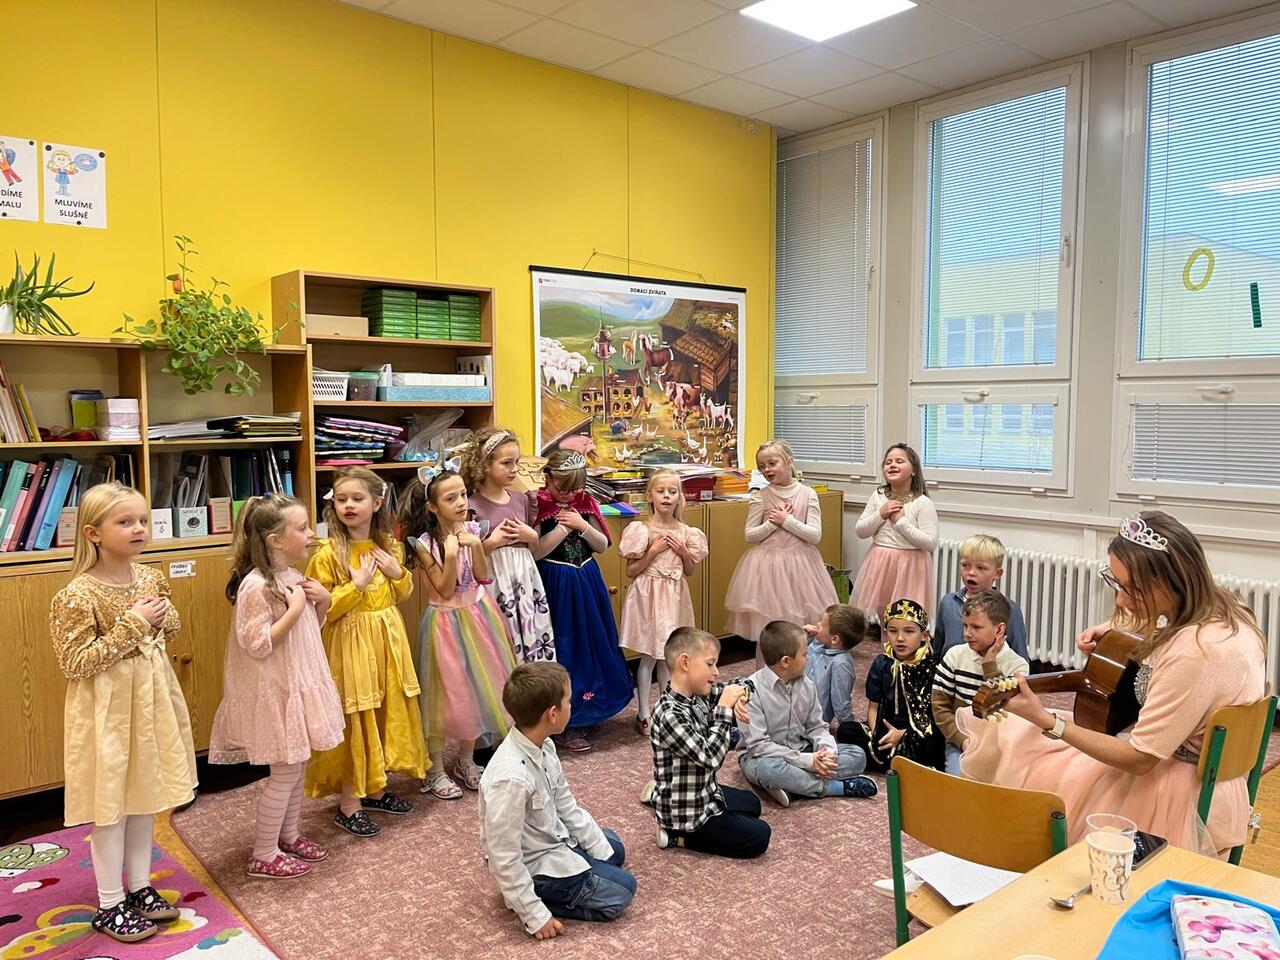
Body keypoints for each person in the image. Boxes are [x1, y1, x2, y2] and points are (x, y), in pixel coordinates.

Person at [958, 512, 1268, 856]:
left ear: (1172, 580)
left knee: (1028, 751)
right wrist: (1115, 629)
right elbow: (1169, 628)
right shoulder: (1230, 609)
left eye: (1132, 589)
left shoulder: (1195, 653)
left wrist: (1048, 721)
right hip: (1211, 775)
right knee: (1023, 738)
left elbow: (1139, 758)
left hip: (1174, 790)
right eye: (1117, 584)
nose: (1120, 600)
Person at [48, 482, 198, 943]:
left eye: (142, 520)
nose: (139, 529)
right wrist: (133, 623)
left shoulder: (150, 577)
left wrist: (163, 616)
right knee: (111, 806)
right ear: (93, 533)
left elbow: (168, 629)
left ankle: (138, 886)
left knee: (143, 797)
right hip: (106, 710)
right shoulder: (76, 595)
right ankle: (110, 902)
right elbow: (75, 663)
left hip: (149, 698)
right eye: (125, 522)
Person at [209, 494, 345, 880]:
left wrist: (322, 603)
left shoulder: (292, 576)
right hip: (276, 689)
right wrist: (297, 608)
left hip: (298, 681)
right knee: (285, 772)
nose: (311, 534)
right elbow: (258, 643)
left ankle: (289, 835)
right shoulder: (255, 585)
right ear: (275, 540)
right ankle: (264, 854)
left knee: (297, 766)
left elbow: (309, 630)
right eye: (301, 528)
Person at [304, 467, 428, 838]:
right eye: (341, 499)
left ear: (376, 503)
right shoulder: (327, 553)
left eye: (357, 499)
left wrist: (398, 573)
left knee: (383, 709)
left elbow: (401, 594)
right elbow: (321, 611)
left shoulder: (389, 545)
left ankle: (374, 788)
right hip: (350, 643)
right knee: (357, 715)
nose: (348, 505)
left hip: (387, 639)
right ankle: (349, 803)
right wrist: (354, 586)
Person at [479, 662, 636, 940]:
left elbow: (566, 805)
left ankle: (581, 871)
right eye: (569, 701)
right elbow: (503, 855)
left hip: (556, 838)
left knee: (613, 849)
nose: (571, 705)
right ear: (553, 714)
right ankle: (529, 898)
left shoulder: (545, 744)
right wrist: (534, 915)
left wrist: (599, 851)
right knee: (623, 891)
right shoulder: (510, 778)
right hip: (536, 863)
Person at [401, 461, 515, 798]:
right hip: (445, 624)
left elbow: (482, 576)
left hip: (479, 616)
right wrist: (451, 555)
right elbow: (445, 589)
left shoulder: (474, 529)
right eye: (450, 499)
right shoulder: (423, 544)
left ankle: (466, 761)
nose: (461, 503)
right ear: (433, 507)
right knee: (444, 697)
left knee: (476, 691)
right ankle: (435, 769)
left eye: (463, 495)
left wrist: (476, 545)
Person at [533, 448, 633, 752]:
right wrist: (563, 528)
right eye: (562, 488)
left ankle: (591, 708)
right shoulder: (537, 504)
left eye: (575, 489)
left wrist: (582, 526)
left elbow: (601, 545)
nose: (568, 495)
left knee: (592, 643)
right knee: (566, 647)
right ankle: (565, 720)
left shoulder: (585, 502)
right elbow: (535, 551)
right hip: (556, 585)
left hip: (587, 583)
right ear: (547, 478)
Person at [649, 627, 770, 858]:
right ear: (685, 663)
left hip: (704, 790)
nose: (716, 672)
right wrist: (724, 708)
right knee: (760, 836)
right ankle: (678, 837)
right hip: (687, 813)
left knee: (753, 805)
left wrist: (741, 696)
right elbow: (711, 758)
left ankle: (656, 793)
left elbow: (744, 683)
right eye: (710, 664)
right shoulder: (669, 714)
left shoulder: (697, 694)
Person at [724, 439, 838, 665]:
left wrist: (787, 520)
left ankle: (799, 673)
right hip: (768, 570)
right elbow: (750, 535)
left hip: (802, 567)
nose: (767, 469)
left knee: (801, 628)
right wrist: (772, 524)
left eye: (772, 463)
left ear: (789, 462)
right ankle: (763, 676)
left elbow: (814, 535)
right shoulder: (760, 496)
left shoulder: (808, 493)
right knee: (769, 630)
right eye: (762, 466)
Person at [739, 621, 877, 807]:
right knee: (767, 770)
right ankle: (830, 787)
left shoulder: (807, 685)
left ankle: (794, 785)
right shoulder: (751, 691)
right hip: (765, 757)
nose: (808, 658)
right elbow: (759, 747)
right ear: (786, 661)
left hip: (804, 749)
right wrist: (807, 761)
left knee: (858, 755)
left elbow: (817, 727)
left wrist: (826, 753)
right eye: (804, 654)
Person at [619, 468, 709, 736]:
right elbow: (631, 571)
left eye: (672, 492)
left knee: (668, 657)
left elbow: (690, 571)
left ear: (680, 497)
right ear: (650, 496)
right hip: (649, 599)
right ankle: (643, 713)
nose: (667, 496)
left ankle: (666, 708)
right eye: (661, 491)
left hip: (674, 598)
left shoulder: (687, 533)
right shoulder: (642, 530)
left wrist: (683, 553)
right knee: (648, 657)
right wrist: (653, 551)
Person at [462, 427, 556, 664]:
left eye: (516, 462)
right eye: (506, 463)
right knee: (500, 640)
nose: (514, 469)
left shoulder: (522, 500)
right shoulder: (471, 505)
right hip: (493, 582)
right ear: (485, 465)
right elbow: (467, 559)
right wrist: (491, 542)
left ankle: (532, 682)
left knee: (530, 633)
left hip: (525, 582)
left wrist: (531, 537)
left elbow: (532, 550)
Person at [932, 590, 1029, 776]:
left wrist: (990, 665)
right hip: (961, 740)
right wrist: (963, 740)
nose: (967, 634)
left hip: (1002, 744)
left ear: (999, 630)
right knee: (960, 781)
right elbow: (940, 706)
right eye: (965, 626)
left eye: (976, 627)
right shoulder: (954, 656)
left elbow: (1002, 710)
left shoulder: (1018, 666)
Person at [845, 598, 945, 773]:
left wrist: (904, 735)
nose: (900, 638)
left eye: (909, 631)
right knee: (847, 731)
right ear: (886, 633)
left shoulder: (933, 667)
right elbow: (873, 708)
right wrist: (877, 736)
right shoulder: (882, 664)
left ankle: (896, 762)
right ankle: (899, 762)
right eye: (893, 631)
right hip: (885, 727)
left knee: (936, 744)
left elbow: (935, 717)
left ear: (924, 635)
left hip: (918, 731)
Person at [850, 444, 938, 637]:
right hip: (881, 563)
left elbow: (930, 543)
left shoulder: (922, 502)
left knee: (906, 618)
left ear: (914, 470)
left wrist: (901, 522)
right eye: (888, 462)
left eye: (899, 461)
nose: (892, 465)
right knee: (885, 615)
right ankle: (886, 650)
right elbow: (861, 530)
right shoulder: (878, 496)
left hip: (910, 567)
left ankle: (908, 653)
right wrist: (880, 514)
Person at [933, 534, 1029, 660]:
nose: (971, 573)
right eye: (965, 565)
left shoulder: (1009, 609)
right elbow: (938, 650)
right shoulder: (948, 603)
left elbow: (1020, 657)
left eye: (981, 568)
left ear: (997, 573)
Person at [803, 603, 866, 733]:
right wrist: (804, 638)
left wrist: (850, 731)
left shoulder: (841, 664)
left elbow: (841, 703)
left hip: (811, 721)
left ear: (835, 639)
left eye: (822, 624)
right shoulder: (817, 645)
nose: (817, 624)